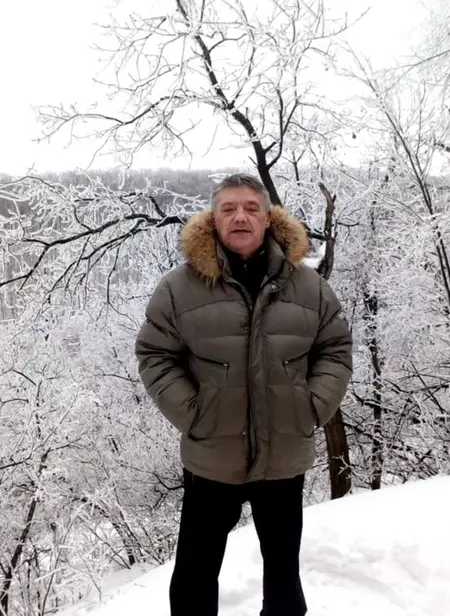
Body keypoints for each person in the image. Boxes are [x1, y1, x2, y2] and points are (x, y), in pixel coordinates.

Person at [135, 174, 352, 616]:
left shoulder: (308, 286)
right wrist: (195, 414)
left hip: (284, 454)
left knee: (284, 580)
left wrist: (311, 407)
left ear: (268, 219)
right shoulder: (179, 288)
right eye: (228, 208)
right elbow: (155, 354)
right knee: (194, 579)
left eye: (252, 208)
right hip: (212, 456)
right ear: (213, 220)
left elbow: (335, 348)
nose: (240, 217)